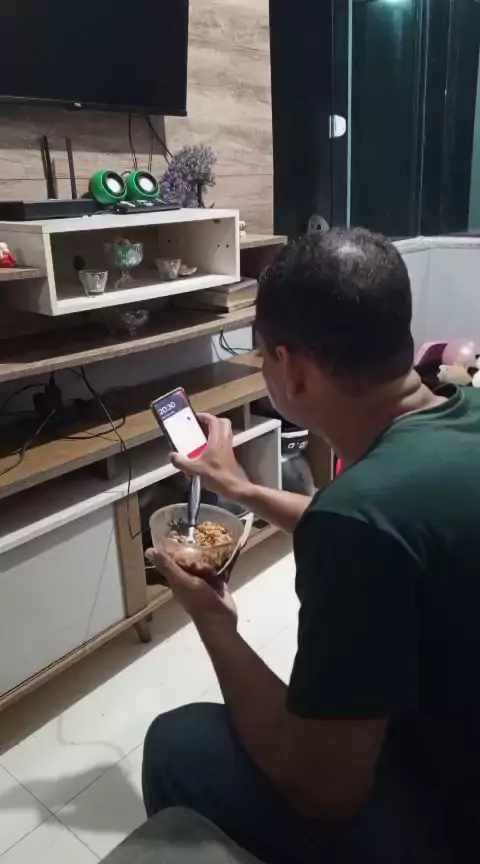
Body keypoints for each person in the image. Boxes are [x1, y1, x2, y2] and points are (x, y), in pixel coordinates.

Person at [143, 229, 480, 864]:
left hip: (453, 818)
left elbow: (324, 789)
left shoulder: (358, 522)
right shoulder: (463, 410)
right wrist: (241, 488)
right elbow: (389, 529)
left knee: (178, 742)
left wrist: (213, 622)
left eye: (261, 355)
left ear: (291, 367)